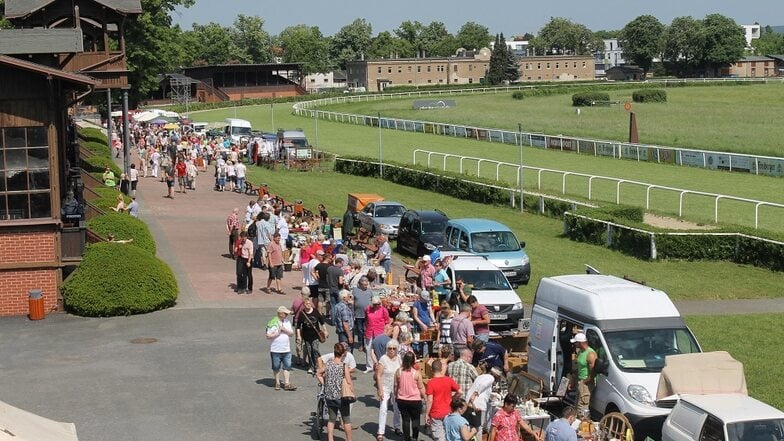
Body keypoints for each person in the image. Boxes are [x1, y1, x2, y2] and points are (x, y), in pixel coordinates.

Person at [316, 342, 354, 441]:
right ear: (343, 354)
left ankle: (330, 439)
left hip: (330, 396)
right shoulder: (343, 366)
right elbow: (349, 382)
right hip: (342, 397)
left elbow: (318, 373)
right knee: (346, 420)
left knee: (331, 419)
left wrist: (324, 383)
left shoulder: (328, 364)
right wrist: (351, 391)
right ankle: (349, 439)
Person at [425, 359, 461, 441]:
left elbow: (430, 400)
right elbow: (460, 391)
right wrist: (453, 398)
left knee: (439, 436)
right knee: (448, 434)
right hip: (448, 411)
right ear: (441, 369)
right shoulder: (449, 380)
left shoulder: (431, 383)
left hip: (436, 412)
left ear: (431, 369)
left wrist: (427, 414)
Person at [394, 351, 426, 441]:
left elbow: (395, 385)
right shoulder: (416, 373)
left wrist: (396, 395)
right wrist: (425, 397)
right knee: (415, 419)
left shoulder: (399, 371)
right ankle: (415, 438)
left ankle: (407, 439)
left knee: (405, 419)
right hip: (415, 400)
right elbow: (421, 387)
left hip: (402, 399)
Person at [465, 367, 504, 439]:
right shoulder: (491, 378)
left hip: (469, 402)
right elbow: (483, 385)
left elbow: (483, 389)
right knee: (479, 427)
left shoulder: (481, 376)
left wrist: (492, 395)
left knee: (470, 424)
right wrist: (475, 394)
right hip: (477, 404)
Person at [376, 339, 402, 441]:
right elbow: (378, 375)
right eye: (390, 348)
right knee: (383, 408)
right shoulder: (383, 359)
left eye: (394, 349)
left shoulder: (399, 358)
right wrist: (380, 389)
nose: (391, 350)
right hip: (385, 386)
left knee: (397, 408)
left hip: (396, 387)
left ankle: (397, 427)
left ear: (396, 349)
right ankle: (380, 432)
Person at [266, 306, 297, 391]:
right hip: (275, 349)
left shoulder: (287, 322)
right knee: (276, 367)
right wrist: (277, 333)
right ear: (280, 314)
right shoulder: (273, 323)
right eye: (285, 313)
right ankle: (277, 383)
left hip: (286, 349)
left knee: (287, 366)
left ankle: (287, 383)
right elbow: (268, 336)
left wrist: (284, 330)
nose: (286, 315)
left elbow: (291, 334)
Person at [297, 297, 326, 375]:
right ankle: (311, 366)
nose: (309, 305)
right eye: (307, 303)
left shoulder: (315, 311)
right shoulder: (302, 313)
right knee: (309, 351)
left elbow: (321, 321)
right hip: (306, 336)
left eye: (309, 303)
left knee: (315, 350)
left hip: (315, 335)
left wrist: (325, 330)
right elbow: (298, 326)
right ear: (304, 305)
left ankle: (318, 365)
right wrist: (299, 336)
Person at [572, 332, 596, 415]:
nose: (575, 344)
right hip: (580, 380)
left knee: (582, 405)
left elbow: (593, 370)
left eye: (576, 343)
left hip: (586, 382)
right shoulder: (580, 352)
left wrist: (587, 380)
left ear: (580, 343)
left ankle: (583, 422)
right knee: (577, 404)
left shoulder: (590, 354)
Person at [352, 276, 373, 366]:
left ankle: (367, 345)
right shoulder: (355, 290)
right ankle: (361, 344)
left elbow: (371, 301)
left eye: (366, 284)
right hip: (358, 314)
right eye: (364, 285)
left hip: (368, 314)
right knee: (360, 330)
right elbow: (352, 301)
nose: (365, 286)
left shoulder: (369, 291)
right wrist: (352, 312)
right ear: (360, 284)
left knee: (367, 330)